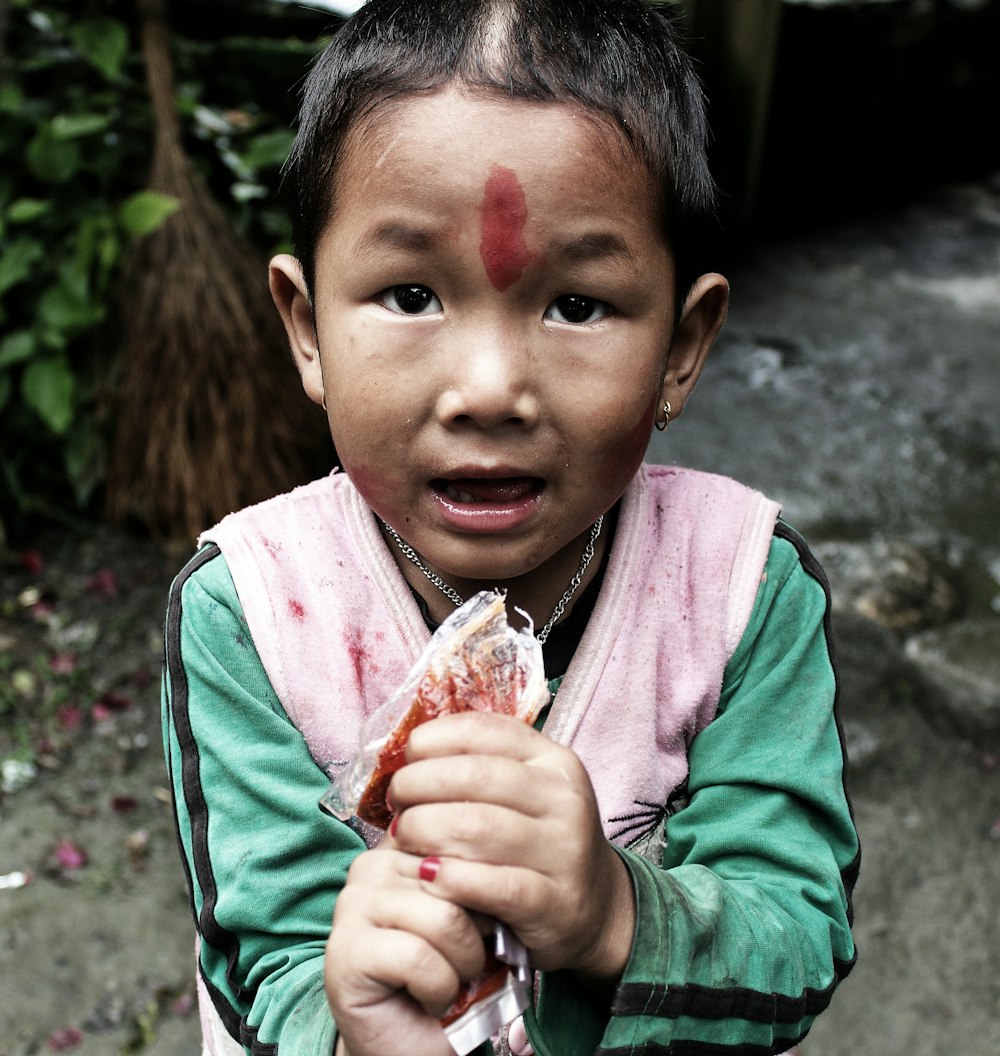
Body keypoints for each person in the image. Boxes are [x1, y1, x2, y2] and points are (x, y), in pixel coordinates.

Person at [161, 2, 860, 1054]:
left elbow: (797, 932)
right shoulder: (248, 610)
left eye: (577, 306)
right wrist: (354, 1025)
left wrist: (615, 911)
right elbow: (269, 958)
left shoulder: (739, 591)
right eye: (408, 293)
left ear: (683, 343)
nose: (488, 390)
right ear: (306, 330)